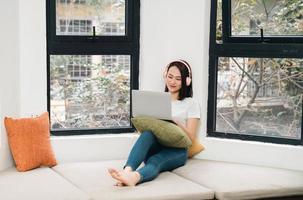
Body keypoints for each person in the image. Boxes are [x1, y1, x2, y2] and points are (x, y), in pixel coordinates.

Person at [108, 60, 200, 186]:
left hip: (177, 151)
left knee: (155, 160)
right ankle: (126, 171)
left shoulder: (191, 103)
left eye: (178, 79)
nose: (172, 82)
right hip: (156, 145)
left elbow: (191, 138)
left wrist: (176, 121)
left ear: (186, 81)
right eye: (170, 77)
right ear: (165, 76)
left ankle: (134, 178)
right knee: (147, 134)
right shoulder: (158, 100)